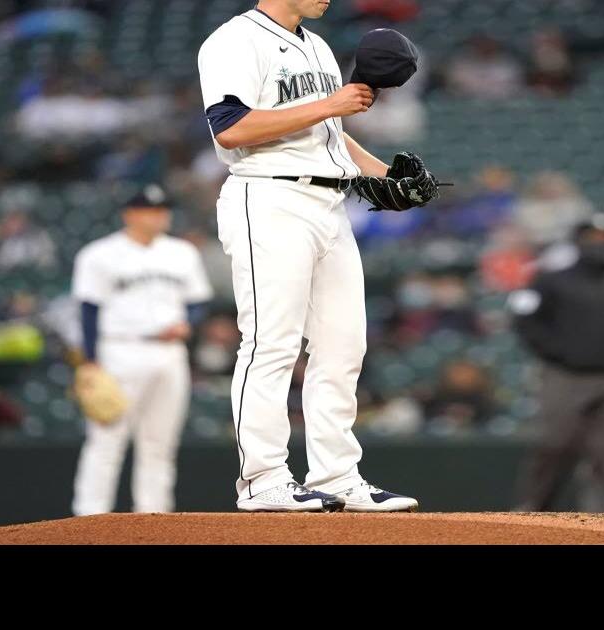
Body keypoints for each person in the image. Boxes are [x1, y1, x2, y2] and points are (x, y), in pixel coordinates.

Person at [198, 0, 435, 512]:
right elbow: (231, 128)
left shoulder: (318, 45)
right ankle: (262, 479)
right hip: (268, 196)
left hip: (330, 203)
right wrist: (332, 104)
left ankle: (338, 475)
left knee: (343, 346)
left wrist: (385, 177)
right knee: (271, 344)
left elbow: (328, 134)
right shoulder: (235, 40)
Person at [70, 184, 214, 516]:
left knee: (160, 443)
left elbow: (197, 302)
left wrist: (187, 324)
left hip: (170, 354)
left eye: (162, 209)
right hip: (120, 351)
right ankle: (88, 519)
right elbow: (88, 310)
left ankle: (154, 517)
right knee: (107, 442)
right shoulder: (99, 254)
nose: (158, 215)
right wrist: (90, 361)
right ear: (129, 214)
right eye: (150, 210)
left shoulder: (182, 253)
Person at [509, 214, 604, 512]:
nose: (600, 244)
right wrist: (557, 353)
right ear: (578, 241)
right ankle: (532, 511)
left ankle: (598, 523)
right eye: (593, 238)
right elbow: (525, 320)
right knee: (555, 445)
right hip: (567, 377)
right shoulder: (552, 280)